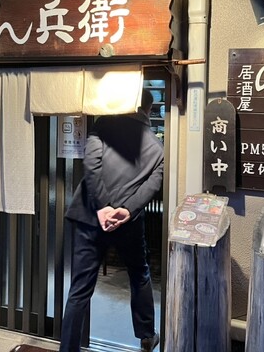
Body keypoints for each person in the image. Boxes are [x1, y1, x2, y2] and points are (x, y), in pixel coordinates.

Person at [60, 88, 164, 352]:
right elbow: (153, 185)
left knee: (79, 290)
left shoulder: (104, 125)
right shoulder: (157, 146)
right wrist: (127, 210)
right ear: (148, 110)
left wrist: (103, 206)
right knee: (139, 274)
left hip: (89, 217)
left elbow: (91, 164)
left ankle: (68, 348)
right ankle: (146, 336)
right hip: (128, 224)